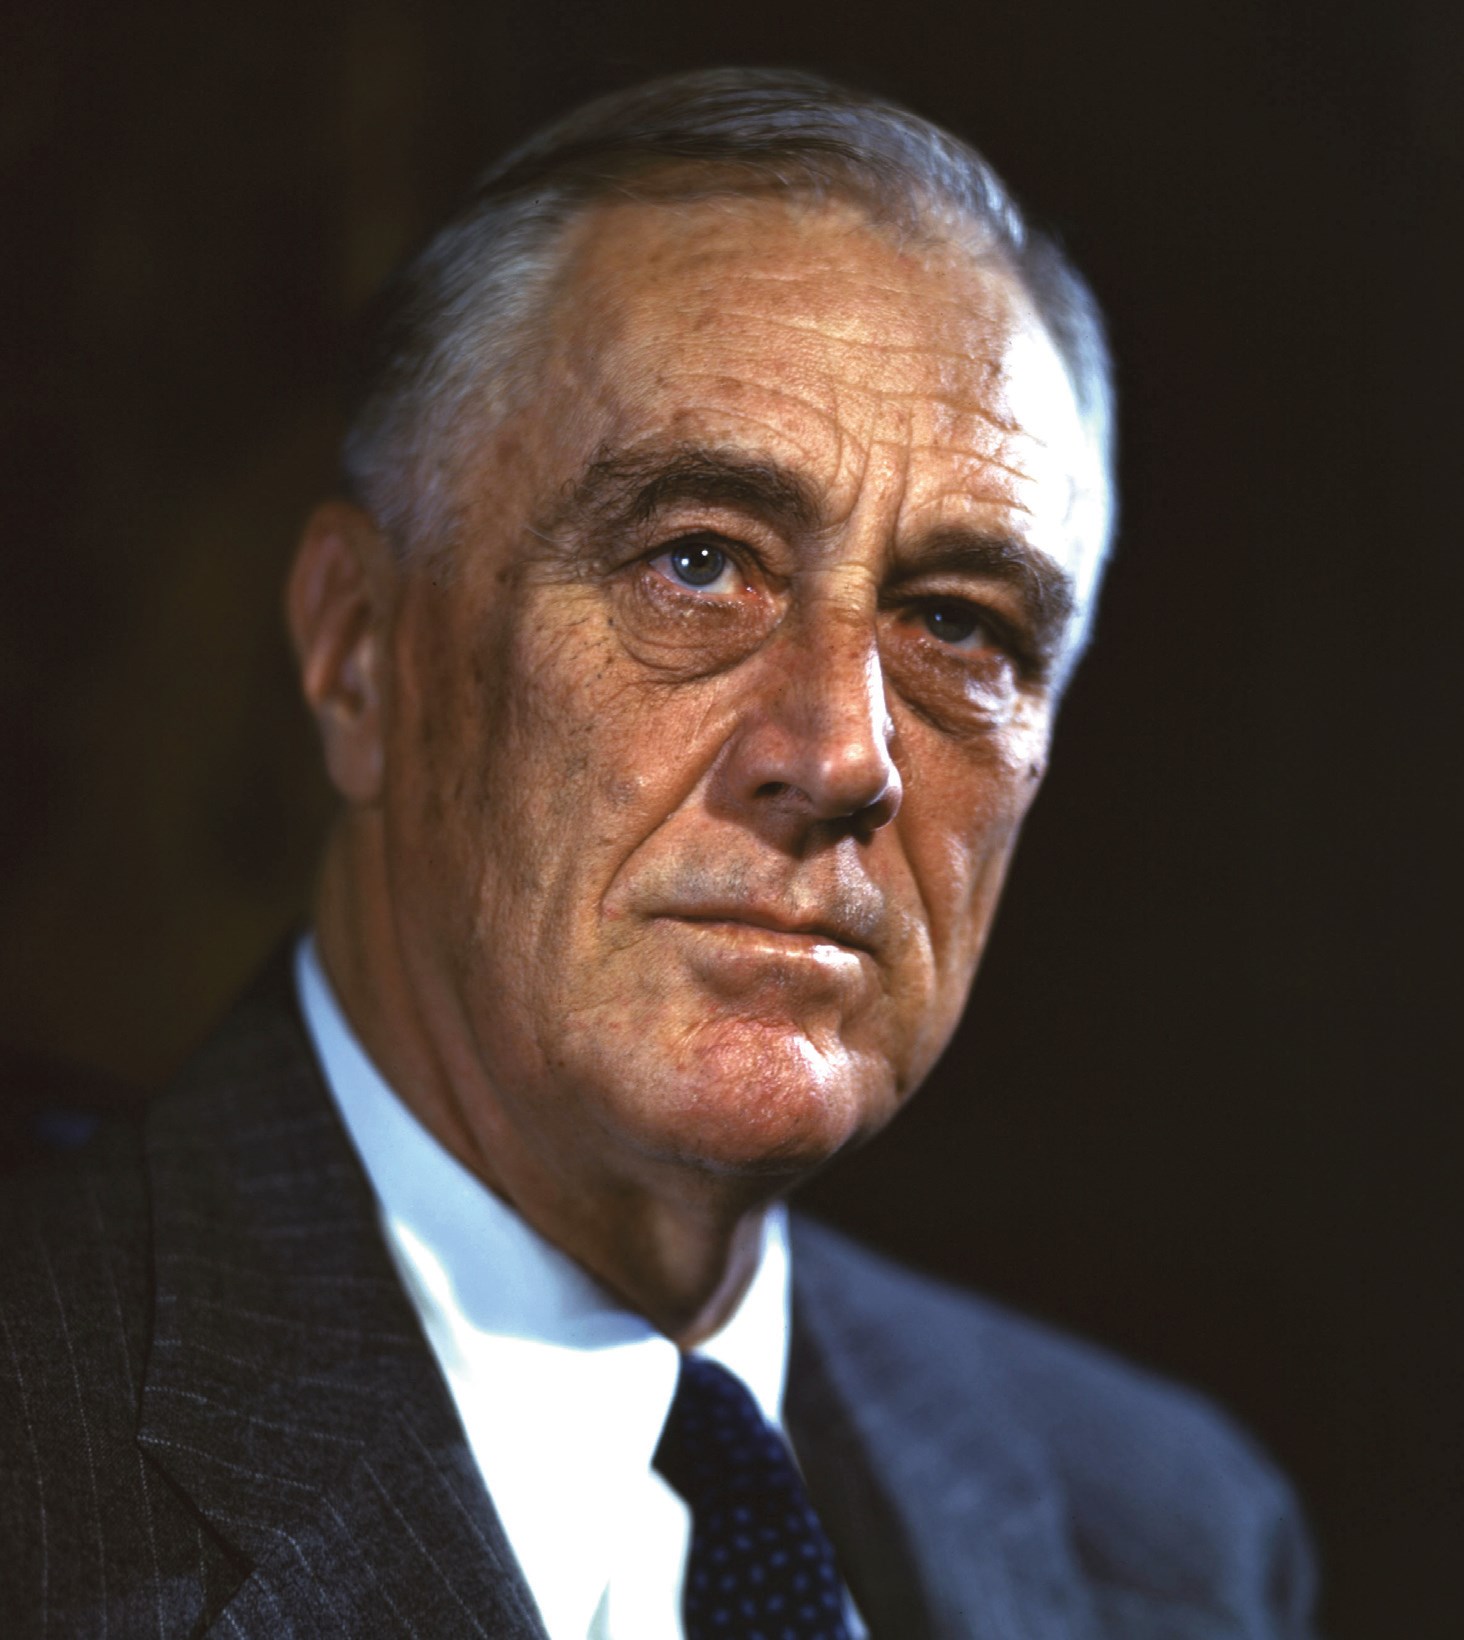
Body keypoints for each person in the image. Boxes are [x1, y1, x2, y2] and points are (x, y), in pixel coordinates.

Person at [0, 68, 1317, 1638]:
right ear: (359, 654)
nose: (842, 757)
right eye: (696, 564)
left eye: (958, 625)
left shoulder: (1175, 1542)